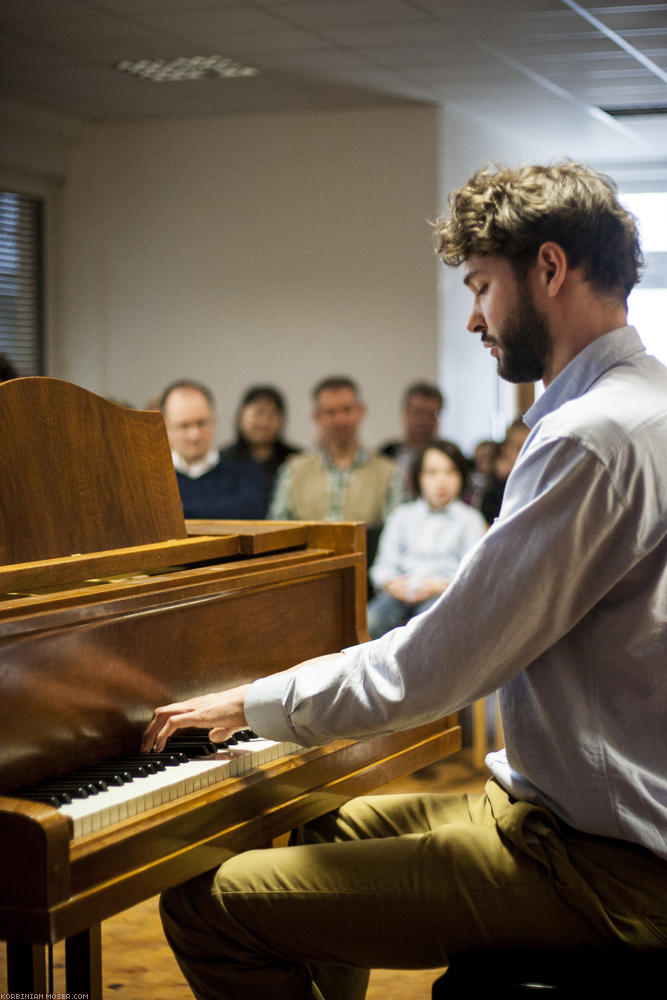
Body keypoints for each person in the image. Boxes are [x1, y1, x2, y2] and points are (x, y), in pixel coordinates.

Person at [143, 162, 667, 999]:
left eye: (479, 287)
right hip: (561, 814)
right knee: (328, 822)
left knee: (208, 906)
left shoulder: (587, 437)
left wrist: (247, 704)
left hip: (603, 870)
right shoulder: (645, 401)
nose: (472, 318)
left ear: (549, 270)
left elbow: (437, 664)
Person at [367, 439, 486, 638]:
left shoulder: (470, 520)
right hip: (402, 592)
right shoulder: (401, 516)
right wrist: (391, 583)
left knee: (425, 627)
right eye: (432, 473)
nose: (442, 481)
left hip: (444, 594)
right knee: (371, 619)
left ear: (462, 477)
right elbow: (382, 566)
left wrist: (438, 586)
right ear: (417, 478)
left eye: (450, 472)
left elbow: (473, 573)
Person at [268, 376, 401, 546]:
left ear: (361, 411)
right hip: (306, 567)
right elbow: (276, 531)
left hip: (367, 566)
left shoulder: (388, 472)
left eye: (347, 410)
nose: (340, 419)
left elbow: (397, 538)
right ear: (317, 416)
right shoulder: (293, 470)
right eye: (330, 412)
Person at [160, 379, 266, 520]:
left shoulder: (245, 474)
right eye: (183, 426)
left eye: (201, 423)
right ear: (165, 427)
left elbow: (251, 511)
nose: (194, 436)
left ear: (214, 421)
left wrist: (179, 510)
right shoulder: (153, 479)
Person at [219, 385, 300, 516]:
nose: (264, 423)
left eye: (271, 415)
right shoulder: (221, 460)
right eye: (258, 413)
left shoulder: (295, 461)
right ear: (241, 416)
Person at [379, 380, 444, 498]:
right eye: (418, 412)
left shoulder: (447, 458)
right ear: (405, 412)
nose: (423, 421)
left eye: (431, 414)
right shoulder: (386, 454)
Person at [480, 418, 530, 525]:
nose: (527, 454)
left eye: (532, 446)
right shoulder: (493, 493)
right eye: (519, 448)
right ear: (506, 449)